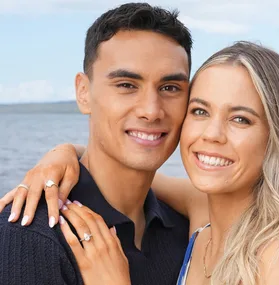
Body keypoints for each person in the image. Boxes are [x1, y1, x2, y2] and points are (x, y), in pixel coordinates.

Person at [1, 41, 279, 284]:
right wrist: (61, 155)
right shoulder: (200, 223)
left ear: (278, 138)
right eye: (200, 111)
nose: (212, 135)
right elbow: (121, 168)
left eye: (241, 120)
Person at [0, 2, 193, 285]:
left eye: (170, 88)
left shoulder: (185, 229)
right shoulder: (30, 234)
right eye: (127, 85)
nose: (151, 110)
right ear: (83, 93)